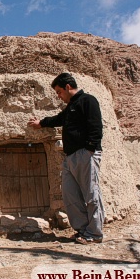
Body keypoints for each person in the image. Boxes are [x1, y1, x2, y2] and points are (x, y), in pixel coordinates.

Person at [28, 72, 105, 244]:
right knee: (70, 195)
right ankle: (83, 230)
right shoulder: (70, 107)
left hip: (86, 154)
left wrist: (90, 149)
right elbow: (58, 119)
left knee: (91, 194)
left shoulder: (88, 101)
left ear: (68, 87)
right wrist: (41, 123)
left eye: (59, 92)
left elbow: (96, 126)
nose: (58, 96)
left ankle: (95, 234)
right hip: (70, 157)